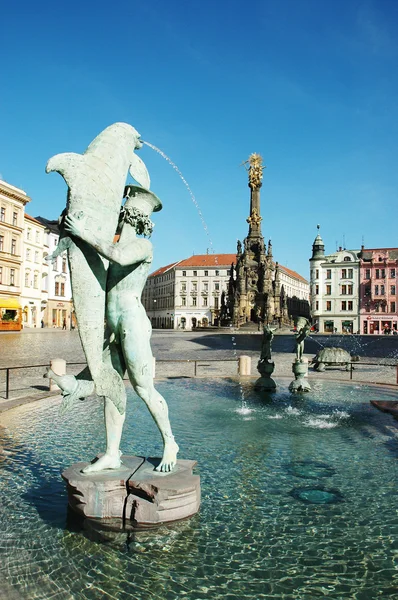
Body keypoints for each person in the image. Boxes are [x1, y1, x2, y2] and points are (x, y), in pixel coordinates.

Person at [63, 185, 179, 474]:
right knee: (112, 390)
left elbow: (118, 256)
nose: (118, 216)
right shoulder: (112, 241)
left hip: (132, 323)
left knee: (143, 387)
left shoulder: (142, 246)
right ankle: (112, 453)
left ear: (132, 218)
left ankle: (170, 442)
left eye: (122, 213)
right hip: (112, 325)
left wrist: (82, 232)